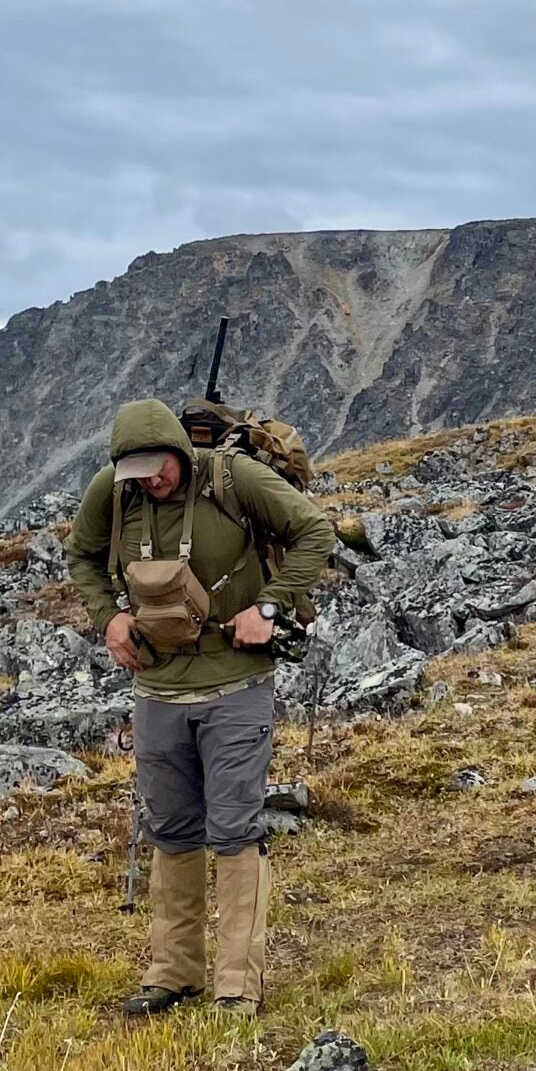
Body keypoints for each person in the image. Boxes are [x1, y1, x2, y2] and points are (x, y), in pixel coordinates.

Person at [67, 399, 334, 1018]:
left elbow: (313, 532)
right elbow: (81, 557)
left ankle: (236, 985)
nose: (150, 481)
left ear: (178, 453)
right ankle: (173, 974)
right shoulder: (114, 491)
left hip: (235, 685)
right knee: (171, 828)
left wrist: (268, 607)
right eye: (136, 472)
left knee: (235, 829)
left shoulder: (232, 478)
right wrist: (108, 617)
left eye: (157, 468)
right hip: (157, 690)